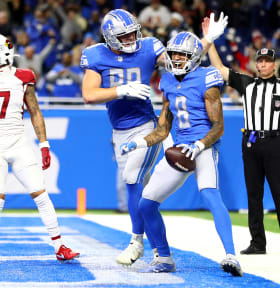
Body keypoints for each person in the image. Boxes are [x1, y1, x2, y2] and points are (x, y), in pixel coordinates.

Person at [80, 9, 225, 266]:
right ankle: (162, 252)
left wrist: (207, 40)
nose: (131, 39)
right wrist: (121, 90)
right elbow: (89, 94)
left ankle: (136, 241)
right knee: (139, 190)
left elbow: (180, 61)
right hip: (119, 129)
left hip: (147, 124)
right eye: (124, 37)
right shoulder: (95, 54)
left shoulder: (148, 48)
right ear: (110, 37)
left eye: (133, 33)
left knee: (132, 177)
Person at [120, 21, 242, 276]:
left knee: (209, 194)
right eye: (173, 54)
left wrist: (199, 145)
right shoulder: (166, 81)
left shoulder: (207, 78)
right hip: (180, 148)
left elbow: (219, 127)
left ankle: (231, 255)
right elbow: (163, 129)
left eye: (182, 55)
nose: (176, 59)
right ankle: (164, 258)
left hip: (204, 146)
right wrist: (139, 142)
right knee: (146, 204)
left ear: (194, 57)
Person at [0, 34, 79, 264]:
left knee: (41, 194)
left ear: (3, 52)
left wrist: (44, 144)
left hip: (20, 143)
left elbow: (35, 111)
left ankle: (59, 246)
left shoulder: (23, 77)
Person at [206, 15, 280, 256]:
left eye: (268, 61)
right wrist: (210, 41)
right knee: (253, 195)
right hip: (251, 143)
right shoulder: (247, 84)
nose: (264, 65)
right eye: (260, 61)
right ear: (256, 64)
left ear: (274, 65)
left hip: (275, 142)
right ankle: (258, 243)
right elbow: (221, 69)